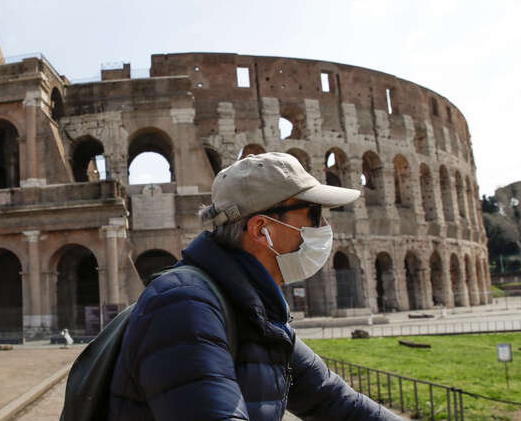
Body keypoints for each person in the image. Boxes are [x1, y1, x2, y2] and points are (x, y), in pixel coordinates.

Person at [108, 152, 399, 420]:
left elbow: (332, 398)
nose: (323, 224)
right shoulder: (184, 307)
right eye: (312, 213)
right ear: (262, 229)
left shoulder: (252, 307)